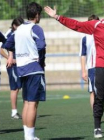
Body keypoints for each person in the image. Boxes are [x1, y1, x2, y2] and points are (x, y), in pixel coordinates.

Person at [44, 3, 104, 138]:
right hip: (101, 67)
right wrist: (57, 17)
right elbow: (76, 25)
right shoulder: (96, 25)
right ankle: (97, 128)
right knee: (99, 98)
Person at [4, 2, 46, 140]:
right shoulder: (36, 28)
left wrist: (12, 55)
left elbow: (8, 44)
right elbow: (41, 46)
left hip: (21, 69)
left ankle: (28, 136)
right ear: (37, 15)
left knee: (27, 103)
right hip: (33, 68)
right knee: (33, 104)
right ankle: (30, 136)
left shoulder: (19, 29)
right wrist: (39, 59)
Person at [80, 14, 104, 123]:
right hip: (92, 68)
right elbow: (83, 55)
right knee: (93, 92)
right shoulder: (85, 38)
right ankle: (96, 116)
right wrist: (83, 71)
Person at [4, 17, 24, 119]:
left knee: (23, 86)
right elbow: (1, 48)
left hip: (20, 63)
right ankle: (14, 112)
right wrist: (10, 58)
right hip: (12, 65)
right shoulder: (9, 35)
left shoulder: (21, 34)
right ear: (14, 26)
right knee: (15, 88)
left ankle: (27, 110)